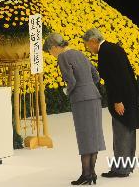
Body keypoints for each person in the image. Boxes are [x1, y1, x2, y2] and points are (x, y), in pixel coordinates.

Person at [44, 33, 105, 185]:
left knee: (85, 136)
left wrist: (67, 91)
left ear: (54, 47)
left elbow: (71, 80)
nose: (51, 55)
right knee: (94, 135)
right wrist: (88, 86)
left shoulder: (63, 57)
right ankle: (92, 174)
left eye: (50, 51)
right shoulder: (79, 53)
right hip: (94, 96)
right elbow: (96, 75)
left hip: (81, 99)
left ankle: (86, 175)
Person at [82, 28, 139, 178]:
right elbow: (126, 74)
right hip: (129, 96)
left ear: (93, 41)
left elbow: (115, 79)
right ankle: (125, 167)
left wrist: (117, 100)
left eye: (87, 45)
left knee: (121, 133)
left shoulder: (106, 52)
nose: (88, 49)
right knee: (128, 132)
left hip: (122, 99)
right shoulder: (114, 48)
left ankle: (120, 170)